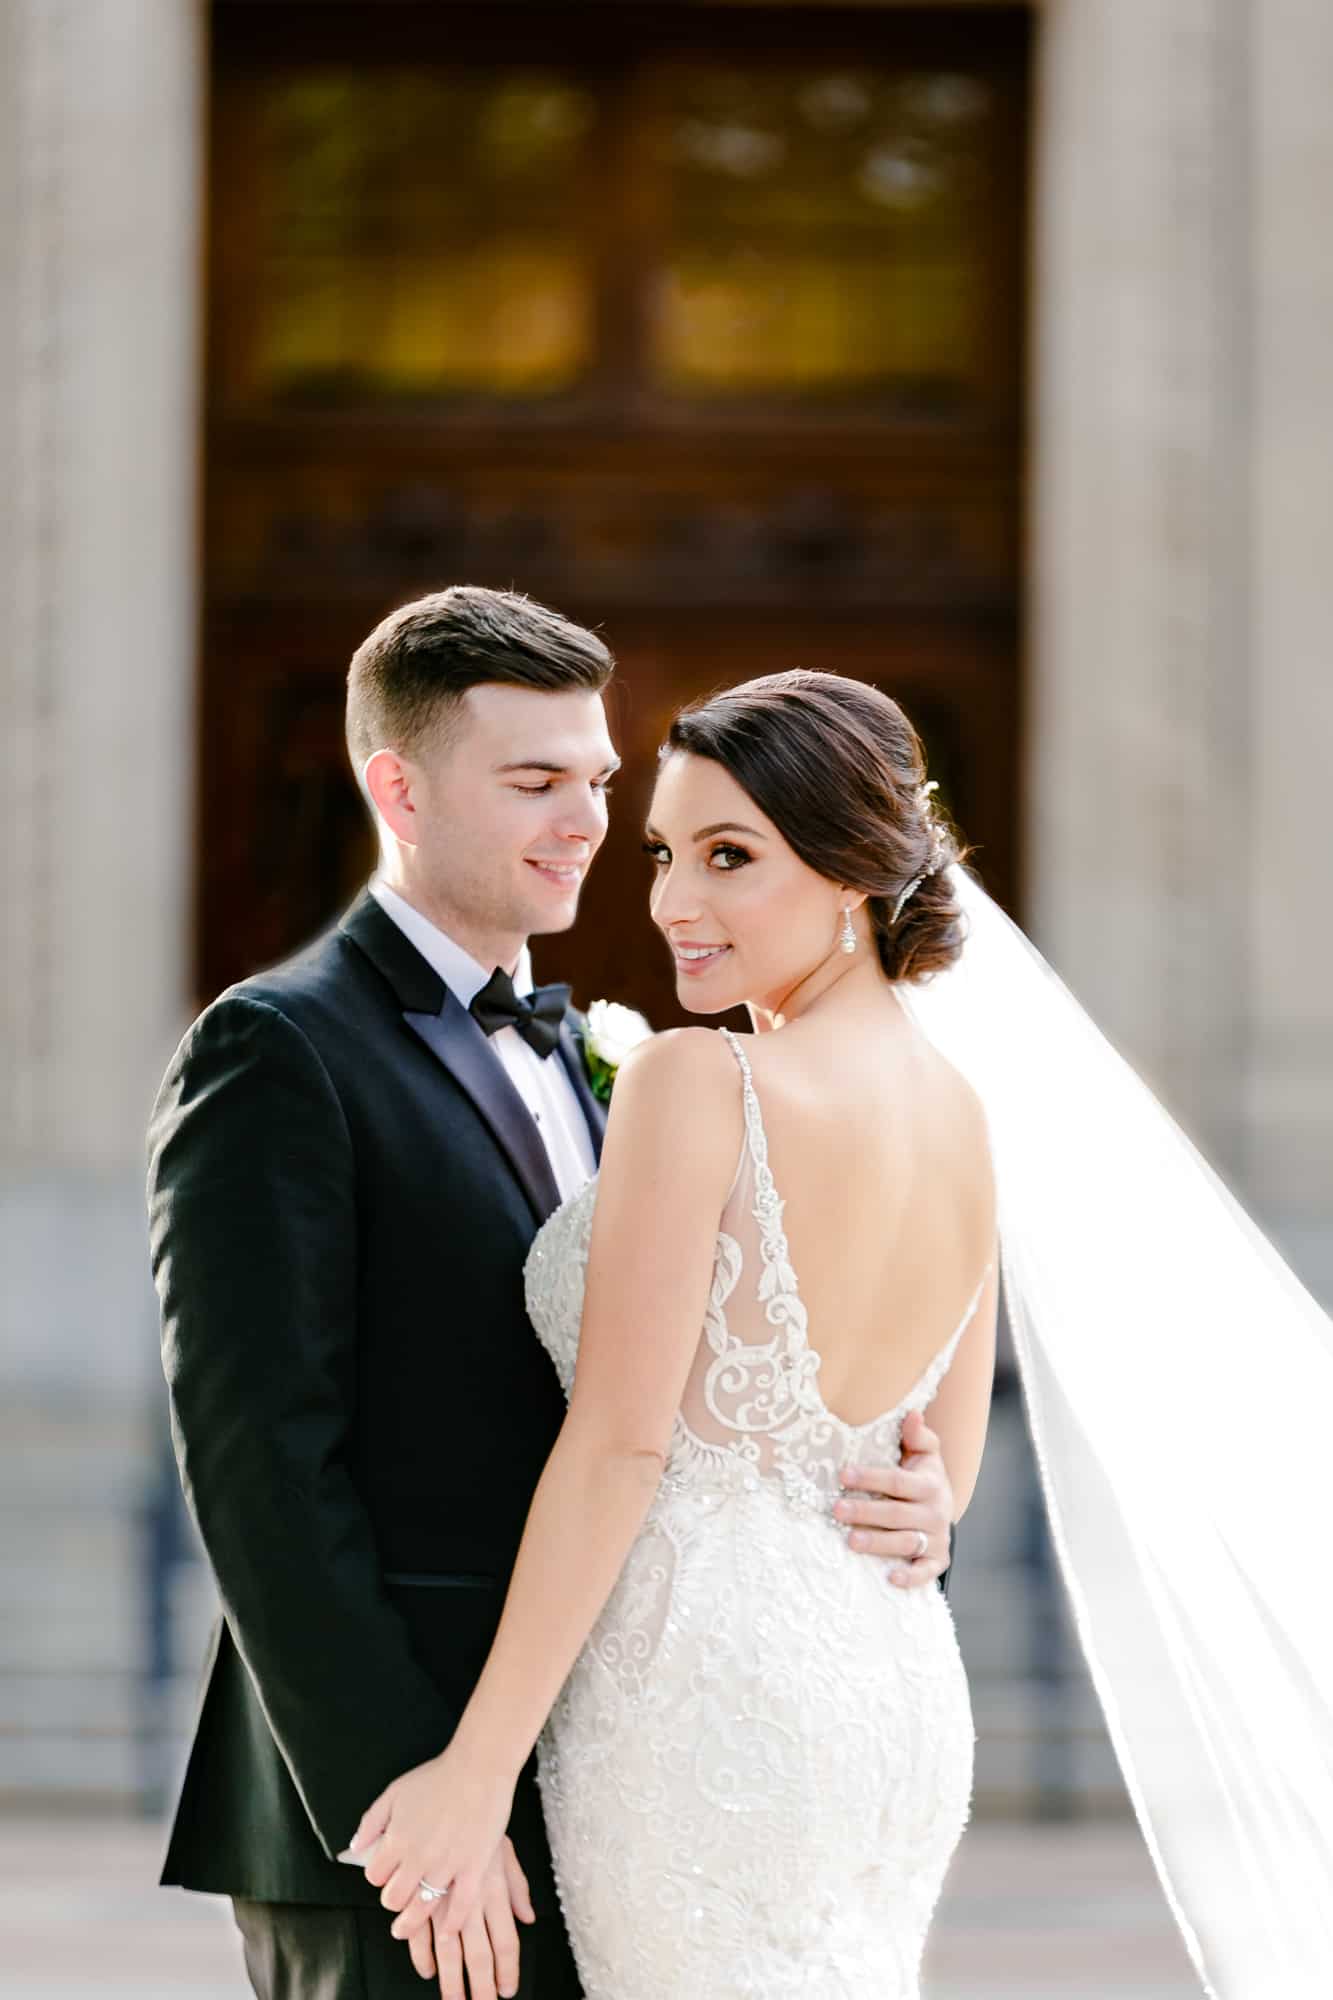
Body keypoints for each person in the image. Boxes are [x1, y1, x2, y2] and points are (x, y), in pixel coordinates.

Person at [148, 599, 957, 2000]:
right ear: (395, 786)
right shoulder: (278, 1049)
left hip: (633, 1751)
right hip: (409, 1804)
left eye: (595, 781)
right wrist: (408, 1808)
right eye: (534, 783)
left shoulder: (631, 1060)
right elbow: (260, 1467)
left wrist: (913, 1476)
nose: (585, 820)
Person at [345, 669, 997, 1999]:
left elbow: (619, 1451)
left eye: (728, 858)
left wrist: (475, 1773)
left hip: (710, 1704)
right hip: (893, 1695)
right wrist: (925, 1506)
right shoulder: (966, 1115)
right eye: (662, 854)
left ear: (851, 872)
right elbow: (944, 1482)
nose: (670, 903)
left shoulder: (700, 1081)